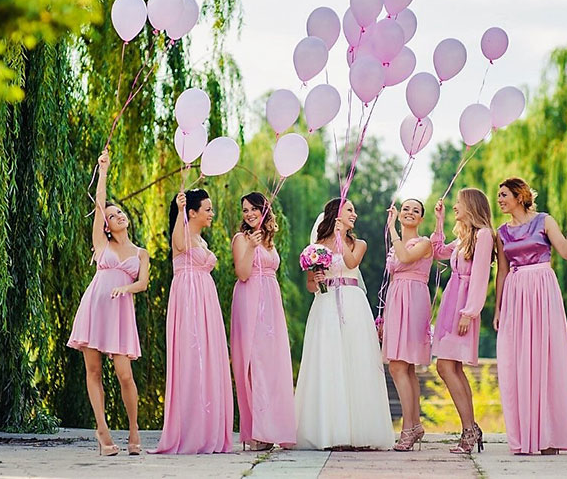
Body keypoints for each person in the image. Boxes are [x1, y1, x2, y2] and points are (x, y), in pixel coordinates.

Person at [68, 149, 150, 456]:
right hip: (94, 307)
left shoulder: (141, 253)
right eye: (113, 216)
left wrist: (126, 289)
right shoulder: (101, 244)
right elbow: (99, 203)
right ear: (106, 225)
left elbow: (143, 283)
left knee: (124, 374)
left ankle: (133, 429)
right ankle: (102, 432)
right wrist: (103, 170)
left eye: (120, 213)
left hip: (120, 311)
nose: (118, 216)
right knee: (93, 370)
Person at [295, 198, 394, 450]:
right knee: (329, 362)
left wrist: (340, 237)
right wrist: (317, 279)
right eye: (350, 209)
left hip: (353, 304)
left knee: (356, 361)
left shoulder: (359, 243)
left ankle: (360, 433)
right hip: (325, 305)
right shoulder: (316, 247)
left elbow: (351, 263)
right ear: (336, 213)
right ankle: (331, 432)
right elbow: (309, 285)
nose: (355, 214)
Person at [494, 177, 567, 455]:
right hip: (516, 293)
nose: (499, 199)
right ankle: (525, 436)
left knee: (546, 358)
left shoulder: (545, 220)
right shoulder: (501, 232)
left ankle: (549, 435)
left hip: (543, 288)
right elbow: (502, 271)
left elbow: (566, 254)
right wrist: (498, 309)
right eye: (498, 195)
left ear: (520, 196)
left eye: (504, 194)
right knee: (518, 361)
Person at [151, 189, 233, 454]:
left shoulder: (201, 239)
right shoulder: (183, 236)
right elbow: (179, 243)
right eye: (207, 209)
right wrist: (179, 209)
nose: (212, 213)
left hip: (206, 299)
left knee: (208, 357)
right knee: (191, 354)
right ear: (193, 212)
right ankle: (189, 430)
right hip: (188, 298)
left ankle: (208, 427)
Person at [430, 189, 495, 454]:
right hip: (451, 305)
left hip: (464, 308)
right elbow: (437, 252)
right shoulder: (463, 239)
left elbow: (481, 276)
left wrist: (470, 312)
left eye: (459, 202)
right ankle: (470, 429)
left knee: (446, 367)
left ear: (471, 206)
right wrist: (439, 220)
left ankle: (469, 430)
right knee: (452, 368)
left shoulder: (484, 236)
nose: (455, 205)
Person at [230, 192, 295, 451]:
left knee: (272, 363)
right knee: (253, 362)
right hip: (250, 299)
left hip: (271, 300)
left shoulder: (271, 240)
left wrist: (261, 244)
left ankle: (275, 428)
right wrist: (252, 247)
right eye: (244, 210)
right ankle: (257, 431)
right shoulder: (241, 239)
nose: (249, 214)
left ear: (263, 210)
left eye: (253, 209)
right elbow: (243, 273)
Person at [383, 199, 433, 451]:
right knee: (405, 367)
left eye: (416, 210)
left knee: (399, 365)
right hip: (397, 299)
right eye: (406, 209)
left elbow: (404, 256)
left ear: (421, 218)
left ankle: (408, 427)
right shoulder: (397, 247)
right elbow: (395, 267)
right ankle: (414, 425)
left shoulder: (424, 243)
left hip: (413, 300)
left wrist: (391, 229)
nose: (410, 212)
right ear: (400, 214)